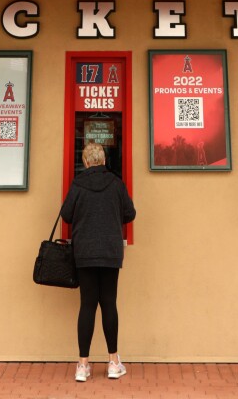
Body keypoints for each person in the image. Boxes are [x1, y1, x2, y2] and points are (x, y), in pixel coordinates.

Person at [59, 143, 136, 382]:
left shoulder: (78, 185)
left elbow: (67, 215)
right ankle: (113, 362)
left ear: (85, 161)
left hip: (85, 252)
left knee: (87, 305)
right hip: (110, 251)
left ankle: (83, 365)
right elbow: (130, 213)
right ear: (103, 160)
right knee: (109, 304)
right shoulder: (116, 183)